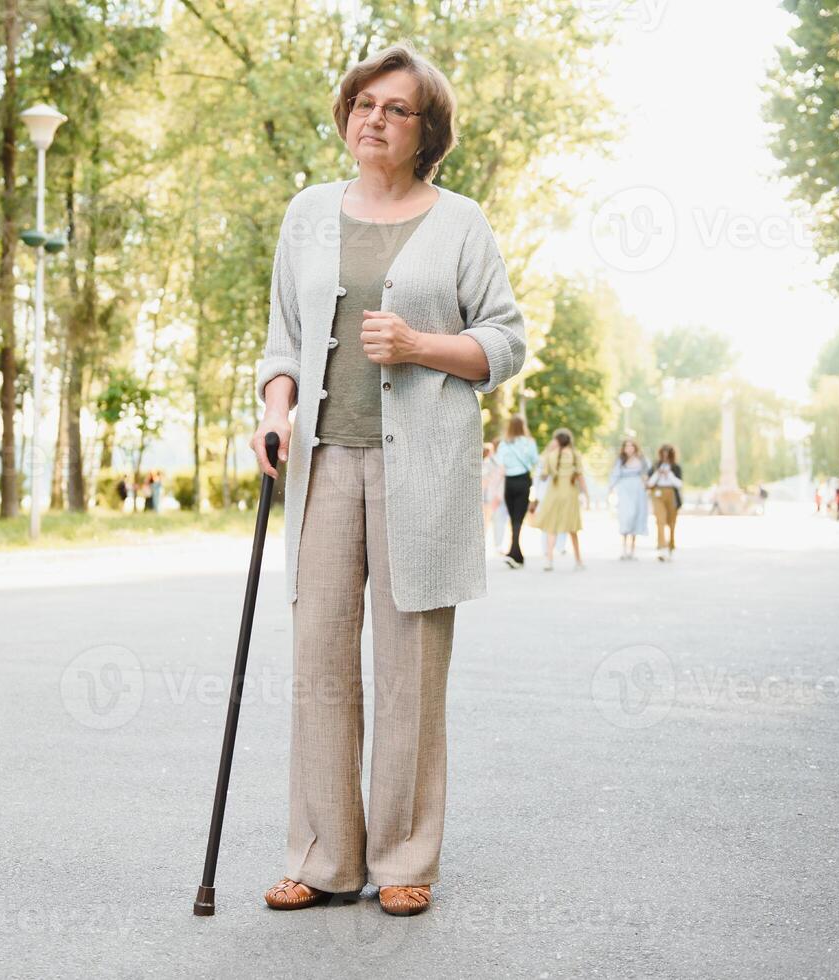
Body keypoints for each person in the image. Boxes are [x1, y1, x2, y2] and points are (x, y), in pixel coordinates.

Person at [249, 40, 527, 918]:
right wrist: (274, 408)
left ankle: (405, 857)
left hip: (426, 471)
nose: (373, 118)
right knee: (320, 663)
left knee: (409, 669)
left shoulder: (461, 222)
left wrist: (418, 347)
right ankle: (325, 858)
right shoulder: (307, 214)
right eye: (364, 103)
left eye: (395, 108)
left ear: (426, 129)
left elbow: (506, 341)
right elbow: (283, 338)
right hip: (325, 464)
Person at [529, 427, 587, 570]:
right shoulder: (575, 455)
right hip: (570, 495)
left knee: (551, 527)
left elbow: (544, 476)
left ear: (557, 441)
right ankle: (578, 561)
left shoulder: (551, 455)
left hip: (553, 494)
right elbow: (580, 476)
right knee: (572, 528)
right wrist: (586, 494)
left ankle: (549, 560)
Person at [495, 415, 539, 568]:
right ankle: (516, 555)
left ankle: (514, 554)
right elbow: (535, 462)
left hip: (509, 482)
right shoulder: (529, 443)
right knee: (518, 519)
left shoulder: (504, 444)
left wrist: (496, 488)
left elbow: (500, 467)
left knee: (514, 518)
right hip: (523, 481)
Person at [607, 438, 650, 560]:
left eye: (631, 446)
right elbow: (615, 474)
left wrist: (647, 484)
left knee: (636, 516)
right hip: (624, 490)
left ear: (635, 447)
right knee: (626, 516)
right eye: (627, 446)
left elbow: (647, 473)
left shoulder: (642, 460)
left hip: (637, 490)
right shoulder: (620, 460)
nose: (629, 448)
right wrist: (611, 487)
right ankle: (624, 549)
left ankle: (632, 549)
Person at [647, 444, 683, 560]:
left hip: (671, 493)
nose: (665, 456)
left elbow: (679, 484)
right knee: (660, 520)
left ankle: (671, 544)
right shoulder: (655, 466)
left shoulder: (675, 467)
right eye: (663, 454)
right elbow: (649, 483)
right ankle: (662, 547)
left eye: (667, 454)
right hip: (658, 493)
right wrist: (658, 473)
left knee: (671, 522)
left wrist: (669, 475)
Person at [481, 441, 508, 556]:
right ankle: (494, 545)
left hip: (490, 497)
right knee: (489, 522)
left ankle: (495, 545)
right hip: (488, 497)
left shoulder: (493, 464)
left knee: (490, 522)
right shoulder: (488, 464)